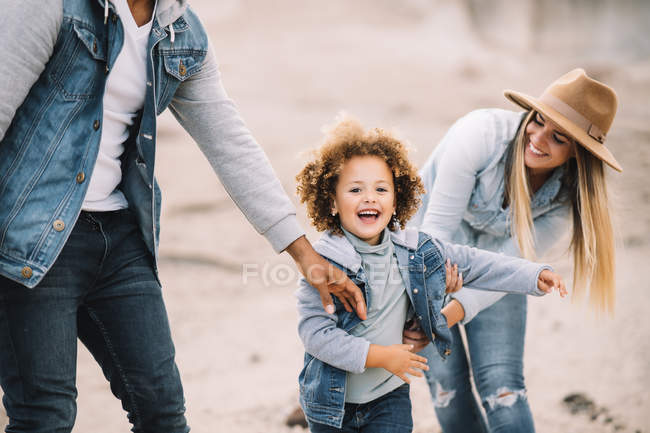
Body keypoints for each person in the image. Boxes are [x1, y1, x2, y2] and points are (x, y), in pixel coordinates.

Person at [0, 0, 366, 431]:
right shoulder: (50, 6)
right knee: (45, 416)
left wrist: (305, 255)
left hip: (120, 241)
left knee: (163, 413)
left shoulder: (181, 34)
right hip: (30, 241)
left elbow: (228, 140)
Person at [294, 117, 567, 432]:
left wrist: (533, 275)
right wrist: (380, 356)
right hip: (330, 403)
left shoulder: (416, 249)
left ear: (398, 198)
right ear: (331, 200)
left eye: (381, 189)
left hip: (388, 398)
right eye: (355, 189)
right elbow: (316, 335)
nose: (370, 197)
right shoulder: (323, 265)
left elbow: (476, 263)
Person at [405, 68, 620, 433]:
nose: (537, 138)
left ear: (577, 154)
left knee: (504, 389)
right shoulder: (479, 135)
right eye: (538, 120)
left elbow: (509, 267)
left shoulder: (570, 199)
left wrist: (449, 314)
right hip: (423, 258)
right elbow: (434, 237)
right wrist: (428, 314)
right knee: (448, 388)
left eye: (559, 138)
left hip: (497, 274)